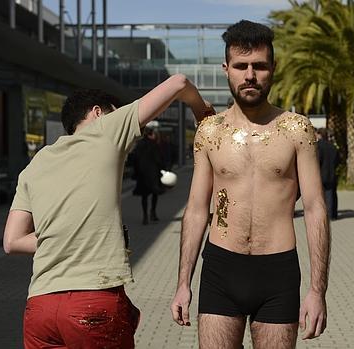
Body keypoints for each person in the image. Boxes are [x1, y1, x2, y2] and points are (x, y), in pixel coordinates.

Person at [3, 75, 214, 349]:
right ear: (98, 113)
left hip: (40, 307)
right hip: (92, 302)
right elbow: (179, 83)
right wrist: (202, 113)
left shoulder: (36, 163)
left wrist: (64, 235)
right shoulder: (105, 130)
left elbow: (12, 241)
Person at [170, 20, 330, 349]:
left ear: (273, 68)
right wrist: (183, 282)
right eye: (241, 66)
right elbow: (197, 210)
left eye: (259, 66)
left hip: (278, 272)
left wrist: (317, 291)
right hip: (220, 269)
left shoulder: (296, 129)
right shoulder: (210, 132)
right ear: (226, 68)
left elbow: (315, 208)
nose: (250, 75)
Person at [133, 127, 164, 225]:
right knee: (155, 194)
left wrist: (137, 172)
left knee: (144, 196)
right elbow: (158, 159)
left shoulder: (139, 145)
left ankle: (145, 215)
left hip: (143, 174)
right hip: (153, 174)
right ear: (151, 134)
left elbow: (135, 160)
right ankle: (153, 213)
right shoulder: (154, 144)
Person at [317, 128, 341, 220]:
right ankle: (332, 214)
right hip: (332, 174)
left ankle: (324, 215)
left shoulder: (318, 146)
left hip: (321, 174)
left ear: (319, 135)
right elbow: (338, 160)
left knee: (321, 195)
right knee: (332, 194)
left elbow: (318, 160)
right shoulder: (333, 146)